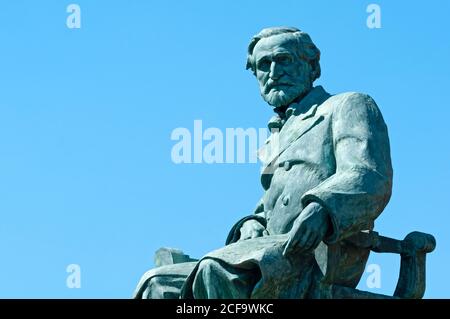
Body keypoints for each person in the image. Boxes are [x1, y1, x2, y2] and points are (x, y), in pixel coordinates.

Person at [134, 26, 393, 299]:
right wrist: (251, 222)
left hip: (319, 252)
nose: (273, 72)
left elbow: (369, 175)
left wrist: (322, 208)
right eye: (263, 65)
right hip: (270, 249)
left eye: (283, 60)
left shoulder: (348, 105)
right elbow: (268, 206)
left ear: (312, 67)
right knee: (156, 282)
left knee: (216, 269)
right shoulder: (275, 138)